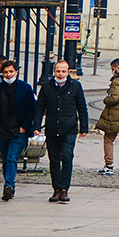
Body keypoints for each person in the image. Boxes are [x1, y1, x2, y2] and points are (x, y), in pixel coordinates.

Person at [36, 59, 91, 203]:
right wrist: (36, 126)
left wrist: (84, 127)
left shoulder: (75, 86)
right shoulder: (47, 87)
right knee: (54, 160)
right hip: (52, 128)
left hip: (69, 128)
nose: (60, 74)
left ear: (68, 72)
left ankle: (64, 189)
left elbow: (82, 107)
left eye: (63, 71)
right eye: (58, 71)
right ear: (54, 72)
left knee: (67, 156)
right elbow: (40, 107)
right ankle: (56, 189)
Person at [0, 59, 37, 201]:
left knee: (12, 157)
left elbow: (32, 108)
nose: (8, 74)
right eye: (6, 72)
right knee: (6, 160)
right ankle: (9, 186)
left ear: (16, 72)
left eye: (11, 71)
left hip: (19, 131)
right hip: (2, 131)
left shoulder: (25, 88)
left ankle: (9, 185)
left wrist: (25, 127)